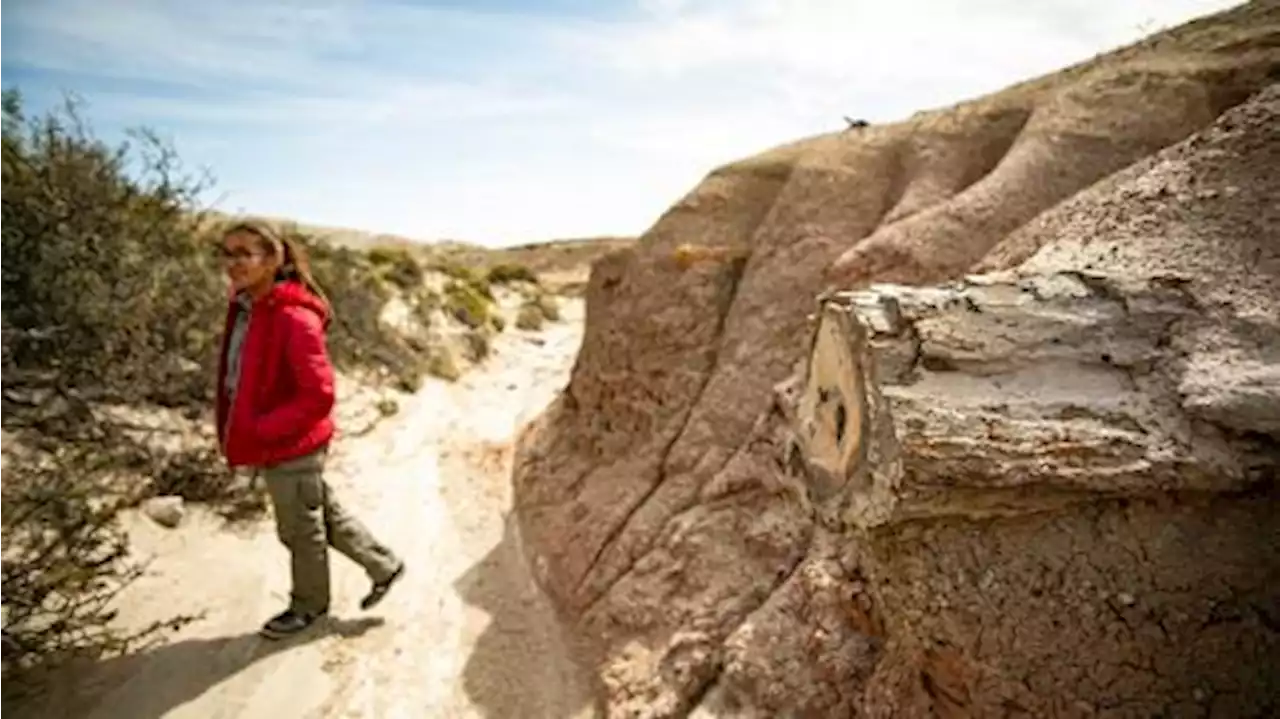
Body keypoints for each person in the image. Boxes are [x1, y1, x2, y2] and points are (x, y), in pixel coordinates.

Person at [214, 219, 405, 639]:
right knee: (321, 511)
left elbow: (318, 395)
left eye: (244, 253)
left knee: (300, 530)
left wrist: (263, 428)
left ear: (272, 258)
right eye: (227, 252)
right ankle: (384, 565)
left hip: (291, 443)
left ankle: (309, 607)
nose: (232, 262)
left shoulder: (293, 316)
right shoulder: (249, 305)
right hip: (273, 439)